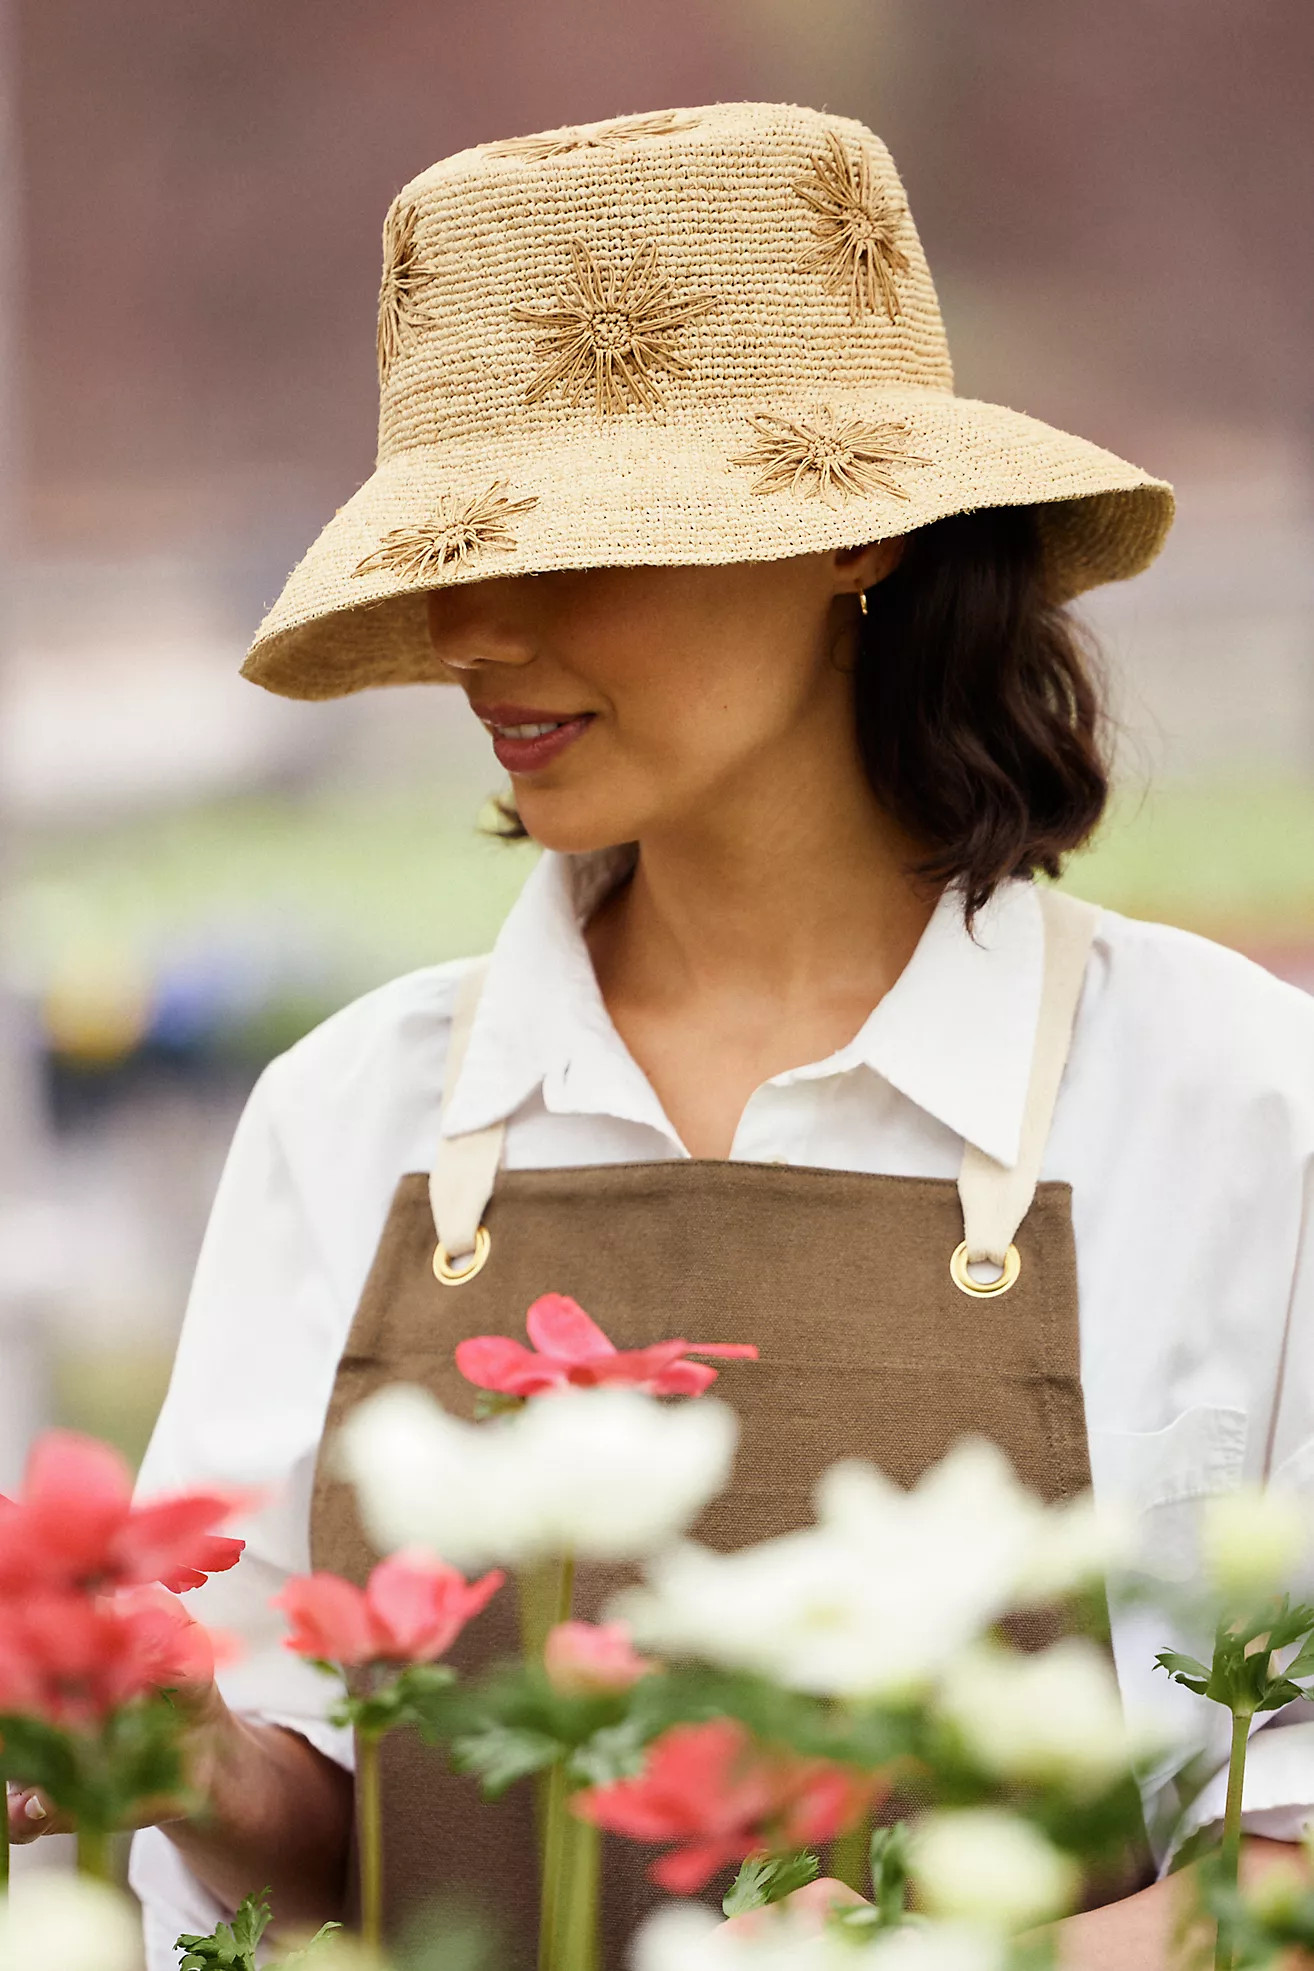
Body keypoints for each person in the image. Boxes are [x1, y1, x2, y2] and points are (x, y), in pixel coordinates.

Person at [10, 100, 1313, 1970]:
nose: (471, 629)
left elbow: (1288, 1857)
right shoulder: (353, 1114)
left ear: (860, 538)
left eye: (572, 545)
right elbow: (328, 1851)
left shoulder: (1232, 1102)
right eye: (448, 552)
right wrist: (190, 1757)